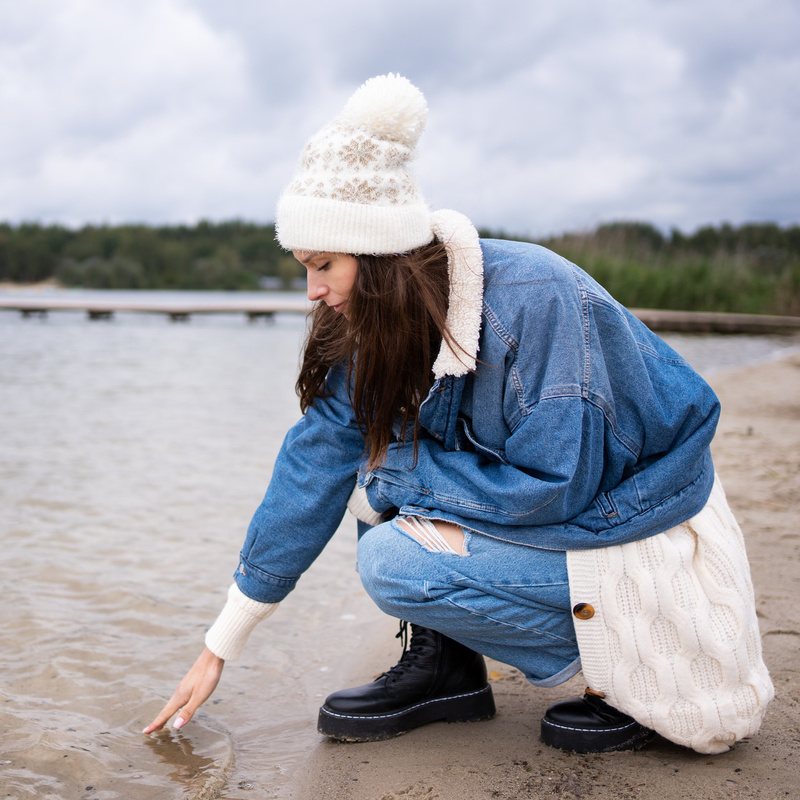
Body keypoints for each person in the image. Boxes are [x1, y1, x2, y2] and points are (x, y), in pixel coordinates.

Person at [143, 74, 773, 754]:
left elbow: (560, 485)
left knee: (391, 551)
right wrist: (221, 642)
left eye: (323, 263)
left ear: (380, 255)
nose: (312, 290)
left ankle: (624, 677)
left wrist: (399, 476)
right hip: (570, 519)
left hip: (641, 528)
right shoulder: (368, 326)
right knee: (376, 464)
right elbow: (312, 466)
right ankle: (446, 671)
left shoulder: (536, 300)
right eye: (303, 265)